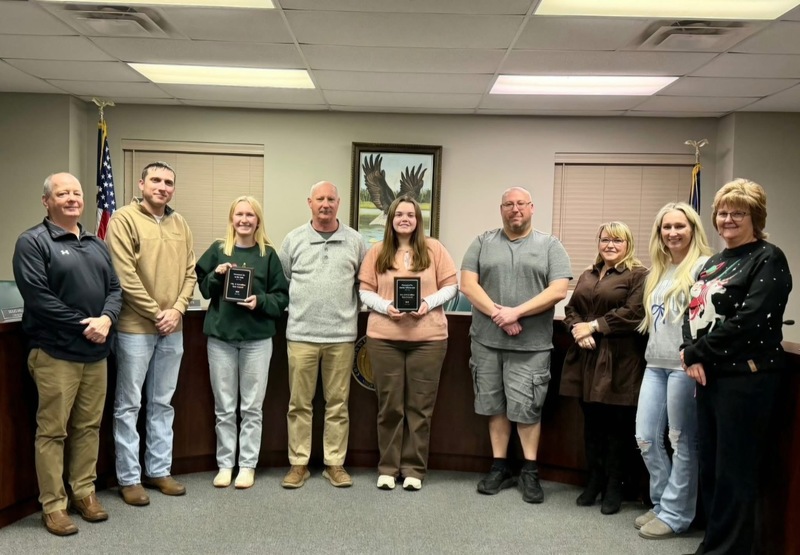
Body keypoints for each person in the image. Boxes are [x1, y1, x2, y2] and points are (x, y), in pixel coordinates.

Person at [682, 179, 792, 555]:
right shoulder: (713, 262)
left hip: (747, 379)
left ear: (755, 217)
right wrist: (688, 350)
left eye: (738, 213)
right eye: (722, 213)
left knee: (735, 472)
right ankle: (714, 544)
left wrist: (697, 353)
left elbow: (751, 320)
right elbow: (691, 309)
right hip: (710, 378)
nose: (728, 219)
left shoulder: (768, 258)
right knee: (711, 468)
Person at [12, 173, 122, 536]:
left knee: (88, 427)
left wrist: (107, 319)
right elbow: (38, 299)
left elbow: (115, 288)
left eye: (76, 192)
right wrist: (84, 325)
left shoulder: (95, 242)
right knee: (53, 432)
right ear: (47, 201)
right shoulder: (33, 242)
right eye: (63, 194)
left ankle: (84, 493)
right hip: (55, 353)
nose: (72, 198)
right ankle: (54, 505)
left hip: (96, 353)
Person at [460, 186, 571, 504]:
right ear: (501, 209)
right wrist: (500, 316)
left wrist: (516, 312)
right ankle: (500, 467)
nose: (515, 209)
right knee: (494, 407)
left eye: (521, 203)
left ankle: (530, 471)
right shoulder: (482, 242)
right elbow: (467, 284)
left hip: (531, 347)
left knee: (527, 409)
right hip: (486, 343)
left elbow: (558, 290)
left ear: (532, 208)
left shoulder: (550, 245)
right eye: (508, 204)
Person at [105, 161, 196, 506]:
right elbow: (124, 276)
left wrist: (178, 310)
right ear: (141, 184)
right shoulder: (123, 220)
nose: (162, 187)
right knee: (129, 405)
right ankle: (129, 478)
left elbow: (190, 272)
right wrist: (158, 313)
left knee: (162, 403)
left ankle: (159, 470)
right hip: (134, 328)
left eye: (168, 182)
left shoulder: (180, 223)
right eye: (155, 180)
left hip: (172, 329)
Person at [358, 196, 458, 491]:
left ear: (418, 220)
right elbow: (365, 291)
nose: (404, 219)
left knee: (420, 407)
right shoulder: (376, 251)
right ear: (391, 219)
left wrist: (428, 303)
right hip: (384, 339)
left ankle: (414, 468)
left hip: (428, 340)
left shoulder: (434, 249)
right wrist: (385, 306)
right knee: (389, 407)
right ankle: (388, 468)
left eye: (410, 215)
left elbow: (451, 287)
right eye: (399, 214)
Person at [196, 196, 289, 489]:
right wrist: (217, 274)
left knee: (251, 408)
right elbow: (204, 288)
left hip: (257, 340)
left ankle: (247, 466)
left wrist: (259, 301)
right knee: (224, 407)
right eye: (239, 214)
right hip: (221, 339)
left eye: (250, 215)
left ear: (258, 221)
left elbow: (281, 297)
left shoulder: (268, 255)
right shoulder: (218, 250)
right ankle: (225, 465)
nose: (244, 220)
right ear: (232, 219)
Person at [278, 181, 366, 488]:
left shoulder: (355, 241)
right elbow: (282, 282)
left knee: (338, 404)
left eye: (330, 199)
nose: (325, 204)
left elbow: (364, 284)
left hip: (341, 336)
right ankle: (298, 464)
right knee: (299, 404)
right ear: (310, 203)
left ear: (338, 203)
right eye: (320, 199)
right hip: (301, 335)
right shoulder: (294, 240)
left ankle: (334, 464)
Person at [634, 203, 712, 539]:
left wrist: (697, 356)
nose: (672, 233)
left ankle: (677, 514)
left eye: (680, 226)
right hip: (654, 365)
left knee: (681, 441)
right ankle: (662, 503)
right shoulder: (659, 270)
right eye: (666, 227)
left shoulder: (704, 267)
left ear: (693, 229)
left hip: (684, 367)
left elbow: (708, 319)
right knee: (646, 438)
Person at [560, 221, 647, 515]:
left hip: (620, 360)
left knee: (617, 428)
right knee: (592, 424)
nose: (610, 245)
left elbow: (633, 313)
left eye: (617, 240)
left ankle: (614, 485)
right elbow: (571, 309)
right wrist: (578, 330)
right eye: (605, 239)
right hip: (586, 358)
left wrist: (593, 327)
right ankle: (594, 479)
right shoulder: (588, 273)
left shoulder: (638, 275)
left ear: (628, 244)